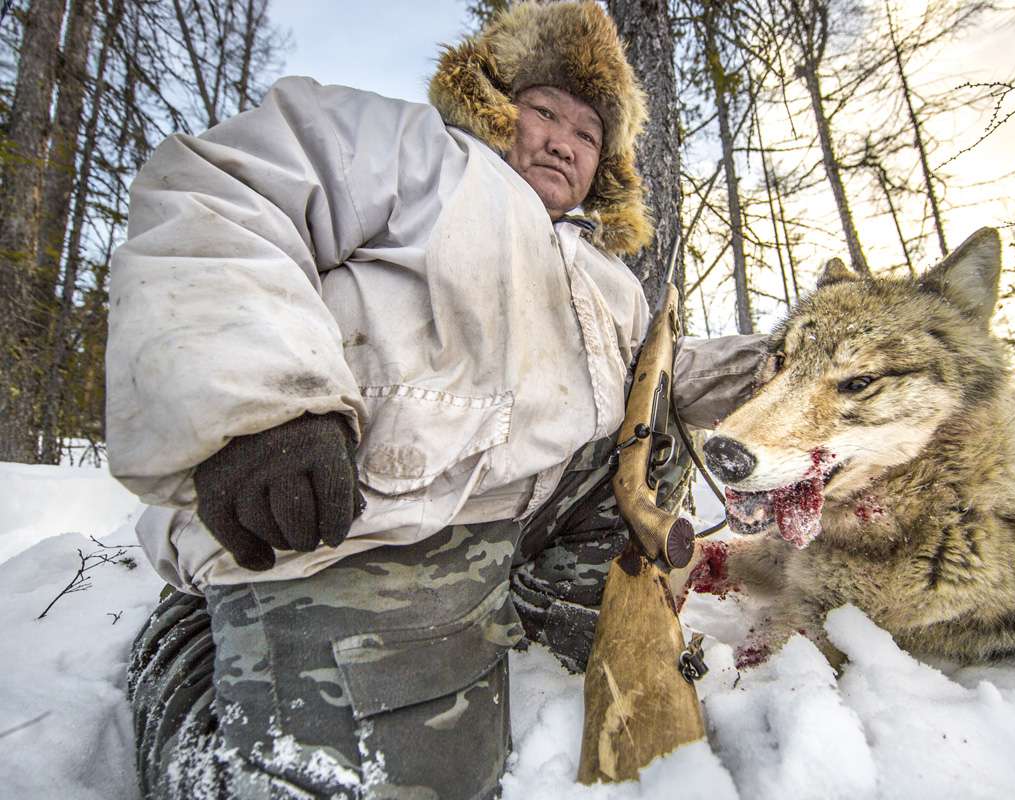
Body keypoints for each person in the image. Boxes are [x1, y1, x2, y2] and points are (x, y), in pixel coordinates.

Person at [110, 2, 763, 798]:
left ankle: (531, 622)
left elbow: (658, 378)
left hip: (515, 525)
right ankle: (194, 645)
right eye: (544, 111)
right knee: (396, 785)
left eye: (588, 134)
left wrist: (796, 361)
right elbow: (219, 193)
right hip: (351, 518)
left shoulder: (607, 278)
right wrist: (264, 410)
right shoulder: (412, 151)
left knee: (649, 440)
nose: (563, 139)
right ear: (494, 103)